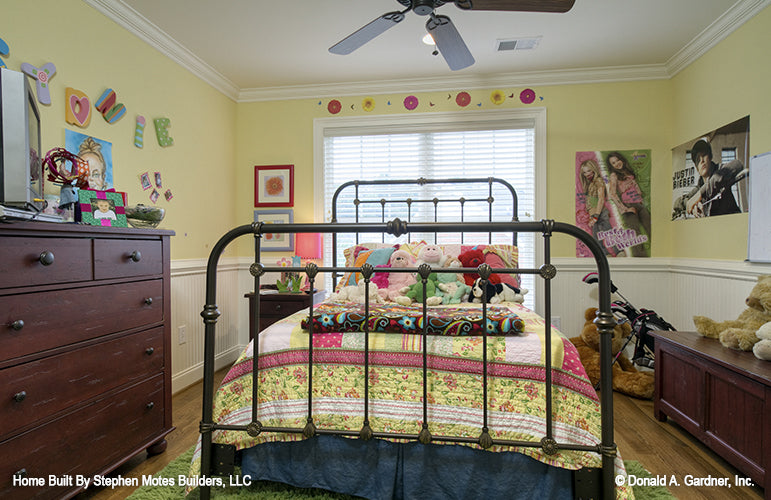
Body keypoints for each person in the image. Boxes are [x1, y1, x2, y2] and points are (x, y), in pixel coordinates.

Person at [606, 151, 651, 257]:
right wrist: (624, 209)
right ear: (611, 166)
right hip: (628, 205)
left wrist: (638, 192)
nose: (617, 163)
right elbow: (612, 194)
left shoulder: (627, 171)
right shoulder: (614, 175)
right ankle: (640, 261)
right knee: (635, 235)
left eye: (617, 160)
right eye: (613, 163)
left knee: (650, 227)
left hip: (639, 204)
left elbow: (636, 189)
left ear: (621, 159)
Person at [685, 139, 743, 217]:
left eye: (704, 155)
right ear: (697, 168)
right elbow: (679, 201)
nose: (701, 160)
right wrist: (691, 204)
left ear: (710, 157)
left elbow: (738, 165)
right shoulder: (699, 187)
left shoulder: (720, 169)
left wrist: (701, 193)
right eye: (698, 159)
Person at [578, 159, 615, 256]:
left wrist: (595, 216)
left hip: (600, 213)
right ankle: (605, 254)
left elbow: (601, 199)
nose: (587, 174)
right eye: (584, 172)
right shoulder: (590, 183)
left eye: (589, 171)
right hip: (595, 214)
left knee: (609, 233)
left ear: (594, 169)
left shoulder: (598, 181)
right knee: (597, 237)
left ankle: (618, 252)